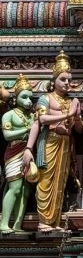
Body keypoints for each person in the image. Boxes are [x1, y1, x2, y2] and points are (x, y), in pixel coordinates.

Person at [23, 51, 83, 232]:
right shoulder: (46, 98)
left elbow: (79, 130)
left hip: (65, 144)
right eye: (62, 79)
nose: (66, 83)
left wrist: (77, 117)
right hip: (50, 141)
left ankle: (55, 222)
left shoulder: (72, 101)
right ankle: (44, 221)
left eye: (69, 80)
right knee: (46, 180)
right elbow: (41, 120)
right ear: (54, 79)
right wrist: (28, 148)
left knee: (60, 182)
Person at [1, 75, 37, 233]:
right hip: (13, 153)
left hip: (28, 153)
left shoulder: (32, 116)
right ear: (16, 98)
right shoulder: (9, 115)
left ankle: (17, 225)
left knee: (25, 190)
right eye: (24, 97)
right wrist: (27, 130)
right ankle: (3, 223)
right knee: (15, 188)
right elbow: (7, 135)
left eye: (30, 98)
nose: (28, 101)